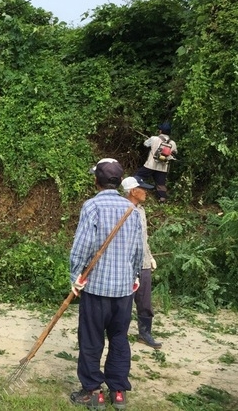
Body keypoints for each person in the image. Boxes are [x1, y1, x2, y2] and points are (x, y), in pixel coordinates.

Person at [69, 158, 143, 411]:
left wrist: (75, 278)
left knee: (91, 340)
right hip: (124, 290)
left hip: (96, 288)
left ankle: (92, 392)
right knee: (119, 339)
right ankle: (118, 391)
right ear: (119, 181)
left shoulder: (92, 206)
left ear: (96, 180)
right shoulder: (131, 209)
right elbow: (137, 250)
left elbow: (82, 247)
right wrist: (134, 278)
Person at [122, 176, 162, 350]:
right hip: (127, 263)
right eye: (142, 189)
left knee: (144, 301)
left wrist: (150, 256)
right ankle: (119, 332)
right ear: (132, 191)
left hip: (143, 262)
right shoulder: (123, 210)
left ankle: (145, 333)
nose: (146, 192)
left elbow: (143, 239)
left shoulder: (142, 211)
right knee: (124, 300)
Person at [135, 122, 178, 203]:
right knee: (161, 185)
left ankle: (135, 192)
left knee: (138, 177)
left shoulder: (154, 138)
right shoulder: (173, 143)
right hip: (163, 168)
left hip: (150, 165)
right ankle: (162, 199)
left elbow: (145, 144)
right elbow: (175, 152)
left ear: (160, 131)